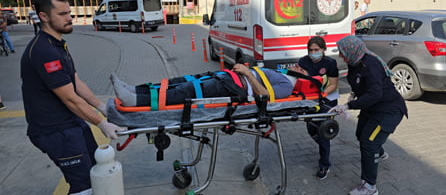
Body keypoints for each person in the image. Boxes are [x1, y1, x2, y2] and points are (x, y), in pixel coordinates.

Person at [22, 0, 122, 195]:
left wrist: (101, 107)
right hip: (54, 131)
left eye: (69, 12)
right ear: (44, 16)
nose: (69, 18)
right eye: (62, 14)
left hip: (72, 123)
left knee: (97, 170)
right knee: (84, 185)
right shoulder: (43, 51)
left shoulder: (58, 45)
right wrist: (100, 123)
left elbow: (76, 82)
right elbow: (69, 98)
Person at [333, 35, 408, 195]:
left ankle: (369, 186)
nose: (340, 55)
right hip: (371, 109)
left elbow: (375, 94)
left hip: (388, 111)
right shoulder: (354, 62)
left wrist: (348, 105)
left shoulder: (371, 64)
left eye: (342, 52)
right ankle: (378, 153)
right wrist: (354, 94)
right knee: (360, 134)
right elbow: (360, 82)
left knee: (368, 143)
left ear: (352, 51)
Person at [109, 59, 320, 107]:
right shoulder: (281, 73)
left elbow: (264, 96)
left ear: (304, 77)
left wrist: (247, 72)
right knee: (184, 80)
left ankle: (135, 101)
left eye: (301, 68)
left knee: (188, 90)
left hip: (236, 88)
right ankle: (137, 90)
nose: (297, 66)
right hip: (231, 78)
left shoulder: (287, 86)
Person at [289, 36, 340, 180]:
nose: (313, 52)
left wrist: (321, 94)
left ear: (323, 49)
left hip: (326, 99)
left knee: (322, 131)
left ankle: (324, 164)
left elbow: (333, 85)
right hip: (310, 99)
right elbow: (300, 81)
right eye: (310, 50)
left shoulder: (330, 63)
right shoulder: (303, 61)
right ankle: (325, 145)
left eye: (316, 50)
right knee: (311, 129)